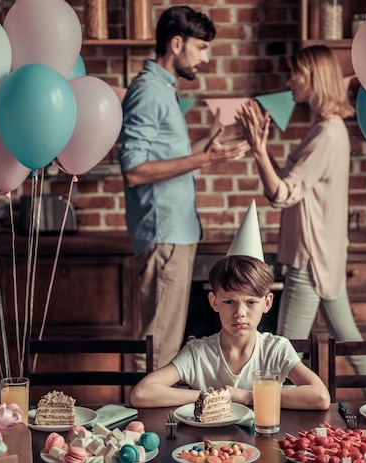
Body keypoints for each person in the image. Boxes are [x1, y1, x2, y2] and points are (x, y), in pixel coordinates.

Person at [235, 45, 366, 402]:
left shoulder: (327, 134)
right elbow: (291, 181)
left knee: (283, 353)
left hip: (310, 261)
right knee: (352, 347)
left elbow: (281, 193)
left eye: (295, 74)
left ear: (313, 78)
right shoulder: (325, 129)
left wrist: (258, 151)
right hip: (321, 257)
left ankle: (271, 426)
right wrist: (263, 147)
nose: (288, 81)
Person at [117, 6, 249, 371]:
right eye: (202, 47)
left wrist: (205, 148)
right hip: (165, 237)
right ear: (177, 43)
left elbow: (163, 160)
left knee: (164, 343)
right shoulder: (149, 92)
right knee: (159, 348)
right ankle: (145, 428)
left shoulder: (162, 89)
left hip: (174, 235)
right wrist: (205, 160)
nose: (206, 58)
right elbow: (134, 170)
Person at [129, 254, 331, 410]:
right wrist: (211, 396)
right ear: (214, 302)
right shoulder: (197, 352)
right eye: (229, 302)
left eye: (251, 302)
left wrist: (247, 396)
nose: (240, 313)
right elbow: (141, 393)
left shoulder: (276, 349)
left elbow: (320, 397)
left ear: (267, 303)